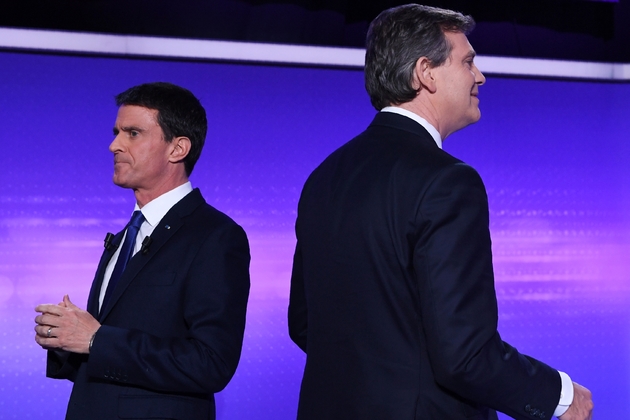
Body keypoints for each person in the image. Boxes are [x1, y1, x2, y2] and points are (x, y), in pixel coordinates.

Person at [288, 4, 593, 420]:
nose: (480, 76)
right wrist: (560, 395)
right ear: (425, 72)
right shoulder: (447, 182)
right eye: (467, 61)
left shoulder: (324, 177)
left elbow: (307, 325)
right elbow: (464, 354)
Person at [34, 82, 250, 420]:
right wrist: (65, 340)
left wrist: (96, 340)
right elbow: (111, 355)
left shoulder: (216, 237)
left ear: (177, 149)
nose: (114, 145)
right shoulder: (125, 236)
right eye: (117, 132)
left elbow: (211, 363)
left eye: (133, 133)